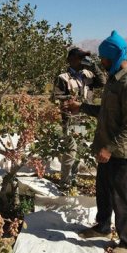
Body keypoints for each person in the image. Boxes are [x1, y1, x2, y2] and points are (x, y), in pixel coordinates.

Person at [64, 31, 127, 253]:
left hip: (120, 152)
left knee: (121, 197)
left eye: (105, 58)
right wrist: (81, 107)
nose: (102, 62)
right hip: (106, 149)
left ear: (116, 56)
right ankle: (102, 227)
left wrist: (110, 148)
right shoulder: (114, 79)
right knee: (103, 191)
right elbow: (105, 112)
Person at [52, 47, 107, 190]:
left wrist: (94, 66)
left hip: (84, 118)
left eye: (84, 58)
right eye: (80, 58)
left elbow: (103, 82)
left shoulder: (88, 75)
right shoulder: (63, 77)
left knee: (79, 149)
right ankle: (64, 182)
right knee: (71, 149)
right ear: (71, 60)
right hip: (70, 118)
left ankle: (73, 179)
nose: (83, 61)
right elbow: (55, 96)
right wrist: (71, 98)